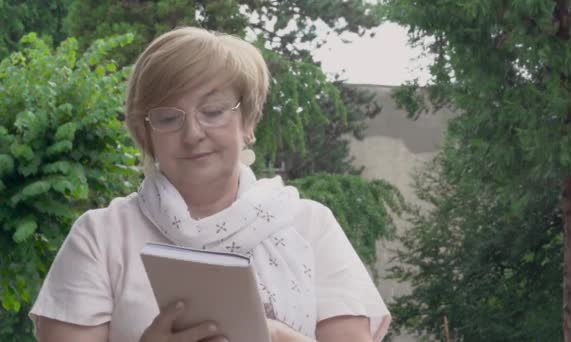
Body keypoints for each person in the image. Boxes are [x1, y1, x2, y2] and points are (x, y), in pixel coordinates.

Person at [29, 27, 391, 342]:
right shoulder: (101, 235)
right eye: (169, 118)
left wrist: (273, 336)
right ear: (146, 133)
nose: (193, 134)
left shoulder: (311, 226)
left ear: (247, 120)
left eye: (213, 112)